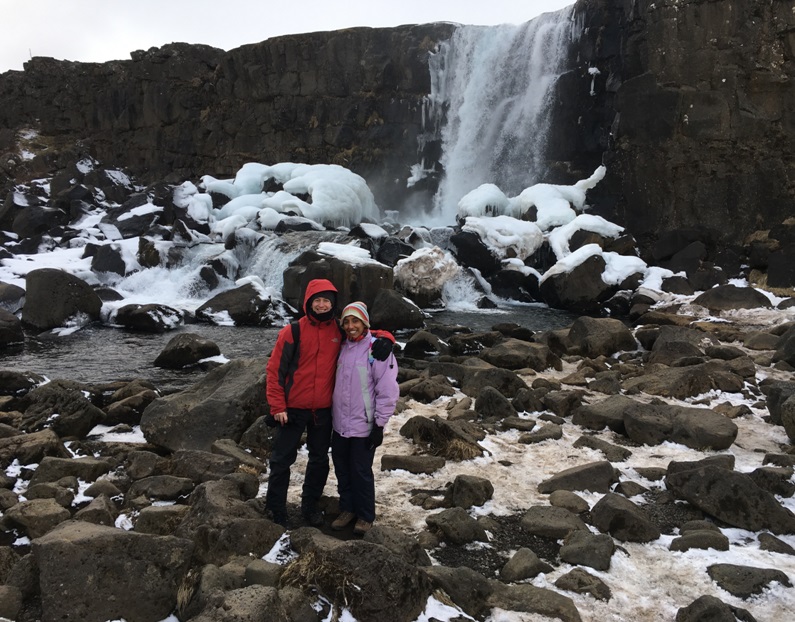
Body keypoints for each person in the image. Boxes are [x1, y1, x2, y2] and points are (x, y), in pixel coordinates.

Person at [264, 279, 393, 528]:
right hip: (292, 409)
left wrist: (387, 338)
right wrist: (277, 406)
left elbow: (365, 332)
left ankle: (309, 507)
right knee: (281, 461)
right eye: (317, 300)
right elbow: (274, 371)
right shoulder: (293, 332)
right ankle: (275, 507)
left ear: (333, 304)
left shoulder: (338, 329)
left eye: (327, 301)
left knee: (319, 460)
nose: (322, 305)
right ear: (308, 302)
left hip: (322, 411)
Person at [330, 301, 399, 536]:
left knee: (360, 471)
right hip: (339, 424)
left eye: (356, 321)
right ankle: (347, 508)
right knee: (342, 469)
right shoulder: (341, 347)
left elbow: (388, 391)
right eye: (347, 322)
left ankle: (365, 515)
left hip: (364, 425)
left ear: (365, 323)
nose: (351, 326)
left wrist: (379, 425)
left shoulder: (377, 350)